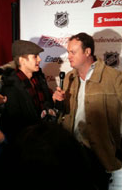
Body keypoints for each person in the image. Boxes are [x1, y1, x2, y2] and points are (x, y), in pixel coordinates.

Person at [53, 32, 122, 190]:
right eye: (68, 52)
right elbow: (66, 114)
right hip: (73, 153)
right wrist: (58, 101)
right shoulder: (69, 78)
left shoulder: (114, 78)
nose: (68, 56)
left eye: (73, 52)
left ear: (87, 52)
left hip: (103, 155)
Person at [0, 39, 56, 143]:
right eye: (35, 56)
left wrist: (54, 101)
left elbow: (47, 103)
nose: (39, 59)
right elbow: (15, 122)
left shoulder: (39, 79)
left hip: (43, 138)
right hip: (24, 143)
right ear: (22, 60)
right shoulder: (10, 85)